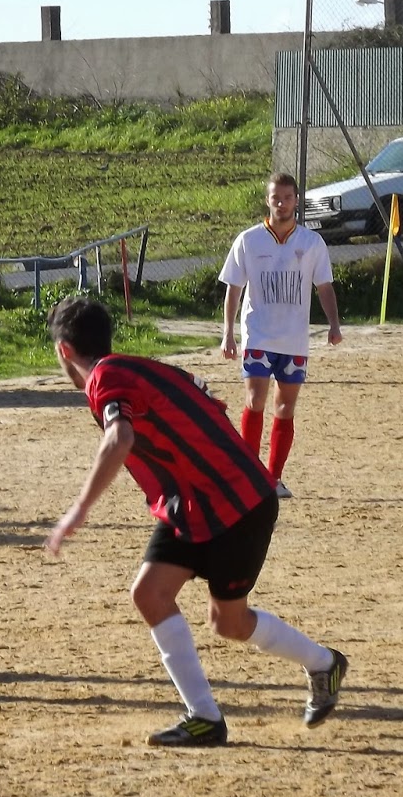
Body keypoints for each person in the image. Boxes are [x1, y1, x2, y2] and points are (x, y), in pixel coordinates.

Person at [44, 296, 347, 747]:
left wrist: (79, 509)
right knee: (150, 593)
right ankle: (204, 717)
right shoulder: (141, 369)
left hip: (238, 502)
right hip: (190, 501)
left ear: (64, 350)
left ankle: (324, 663)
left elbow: (119, 437)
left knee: (229, 622)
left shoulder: (106, 377)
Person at [219, 173, 343, 498]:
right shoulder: (248, 240)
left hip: (294, 339)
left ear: (296, 201)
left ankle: (271, 480)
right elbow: (234, 288)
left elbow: (324, 286)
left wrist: (334, 324)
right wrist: (228, 333)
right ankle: (250, 477)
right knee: (255, 400)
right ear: (268, 200)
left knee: (285, 407)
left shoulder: (312, 243)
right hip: (258, 335)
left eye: (287, 197)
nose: (281, 203)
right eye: (276, 197)